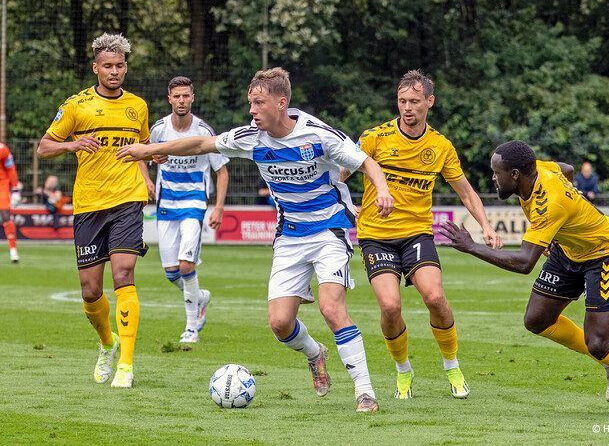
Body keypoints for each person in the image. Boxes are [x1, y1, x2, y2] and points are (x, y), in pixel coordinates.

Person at [117, 67, 394, 413]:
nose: (252, 111)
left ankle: (364, 391)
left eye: (258, 103)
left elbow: (367, 162)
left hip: (329, 231)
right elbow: (202, 143)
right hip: (290, 236)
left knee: (331, 307)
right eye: (251, 103)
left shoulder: (317, 134)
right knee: (280, 323)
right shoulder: (251, 137)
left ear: (280, 103)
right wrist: (150, 150)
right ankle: (314, 353)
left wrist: (382, 189)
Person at [439, 140, 609, 418]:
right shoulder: (538, 169)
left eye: (496, 172)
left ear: (514, 175)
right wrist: (567, 219)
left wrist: (471, 246)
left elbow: (525, 263)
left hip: (603, 251)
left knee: (598, 342)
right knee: (537, 320)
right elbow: (567, 168)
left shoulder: (549, 204)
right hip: (568, 251)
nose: (493, 178)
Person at [345, 70, 501, 400]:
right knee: (390, 307)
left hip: (416, 233)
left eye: (414, 101)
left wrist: (485, 226)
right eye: (402, 101)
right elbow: (338, 173)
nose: (407, 108)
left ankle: (452, 365)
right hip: (375, 235)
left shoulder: (440, 146)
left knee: (434, 297)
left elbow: (466, 191)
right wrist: (344, 205)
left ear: (429, 102)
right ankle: (403, 371)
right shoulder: (375, 137)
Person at [36, 33, 154, 388]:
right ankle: (108, 343)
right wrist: (73, 144)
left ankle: (127, 366)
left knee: (123, 275)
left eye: (119, 66)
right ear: (95, 68)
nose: (114, 71)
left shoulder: (138, 106)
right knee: (90, 291)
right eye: (108, 66)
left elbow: (143, 147)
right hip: (88, 204)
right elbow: (43, 148)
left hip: (127, 200)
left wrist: (147, 174)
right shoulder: (77, 106)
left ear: (126, 67)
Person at [149, 76, 229, 344]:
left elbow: (222, 171)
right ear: (169, 98)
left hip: (194, 204)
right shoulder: (159, 129)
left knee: (186, 265)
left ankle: (191, 327)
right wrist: (148, 175)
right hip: (166, 204)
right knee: (171, 272)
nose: (181, 101)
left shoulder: (204, 132)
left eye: (186, 96)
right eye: (177, 96)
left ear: (192, 98)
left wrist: (218, 207)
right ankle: (201, 297)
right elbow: (143, 155)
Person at [0, 141, 20, 263]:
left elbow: (10, 168)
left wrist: (15, 189)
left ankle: (13, 251)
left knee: (5, 215)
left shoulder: (2, 149)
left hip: (1, 185)